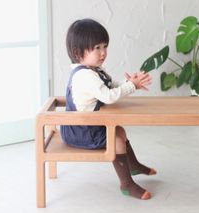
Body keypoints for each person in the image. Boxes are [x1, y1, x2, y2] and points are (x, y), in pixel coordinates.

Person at [60, 18, 156, 200]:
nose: (103, 52)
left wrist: (129, 82)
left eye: (105, 46)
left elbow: (111, 86)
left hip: (87, 125)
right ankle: (126, 184)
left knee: (119, 131)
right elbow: (108, 96)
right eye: (97, 48)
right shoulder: (85, 76)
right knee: (117, 139)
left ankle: (133, 165)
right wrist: (132, 86)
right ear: (76, 52)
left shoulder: (94, 70)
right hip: (81, 130)